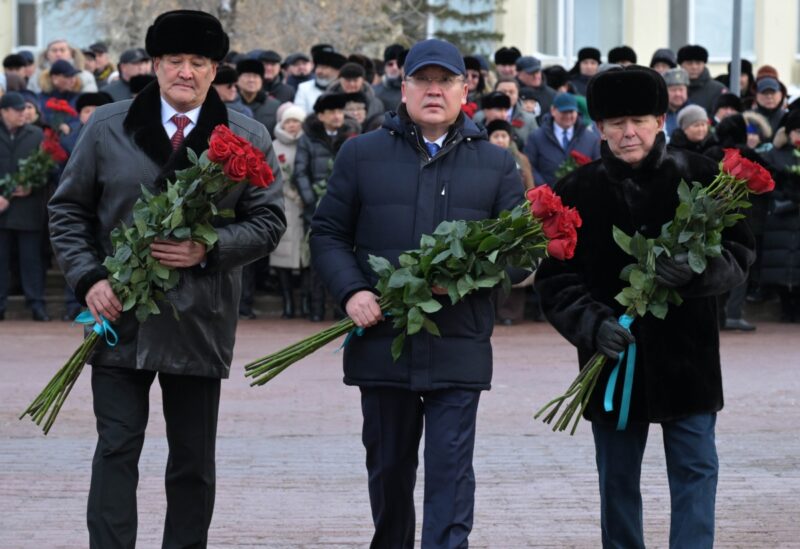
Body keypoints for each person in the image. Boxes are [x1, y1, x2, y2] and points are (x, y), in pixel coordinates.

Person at [47, 10, 285, 548]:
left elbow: (269, 221)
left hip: (198, 320)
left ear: (214, 70)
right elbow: (68, 212)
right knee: (115, 449)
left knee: (193, 462)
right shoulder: (108, 126)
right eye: (174, 60)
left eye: (198, 62)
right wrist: (88, 279)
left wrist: (210, 248)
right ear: (153, 65)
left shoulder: (244, 136)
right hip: (117, 315)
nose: (185, 71)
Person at [311, 38, 524, 548]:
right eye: (422, 81)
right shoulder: (361, 153)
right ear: (402, 88)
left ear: (465, 89)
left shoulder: (496, 165)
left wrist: (470, 276)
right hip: (382, 337)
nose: (434, 90)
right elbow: (328, 234)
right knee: (388, 467)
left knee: (450, 470)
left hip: (458, 339)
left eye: (445, 81)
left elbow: (521, 253)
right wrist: (352, 292)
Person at [534, 65, 755, 549]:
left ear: (661, 119)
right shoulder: (575, 192)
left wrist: (700, 270)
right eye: (615, 122)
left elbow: (739, 255)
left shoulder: (703, 180)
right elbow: (555, 280)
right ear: (599, 128)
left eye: (637, 119)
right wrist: (592, 325)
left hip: (687, 360)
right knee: (616, 480)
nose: (627, 132)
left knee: (696, 470)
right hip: (612, 361)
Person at [295, 91, 358, 321]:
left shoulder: (352, 135)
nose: (337, 116)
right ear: (320, 115)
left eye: (340, 111)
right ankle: (316, 308)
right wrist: (311, 198)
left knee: (346, 255)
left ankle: (341, 308)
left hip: (345, 206)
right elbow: (300, 171)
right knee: (316, 260)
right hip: (315, 207)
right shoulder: (308, 138)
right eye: (331, 111)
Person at [0, 92, 48, 322]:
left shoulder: (36, 134)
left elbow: (49, 170)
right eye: (18, 110)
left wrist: (32, 185)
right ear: (4, 112)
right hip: (1, 210)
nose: (23, 113)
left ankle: (36, 303)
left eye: (24, 110)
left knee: (31, 260)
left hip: (27, 208)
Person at [760, 109, 800, 322]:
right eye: (797, 131)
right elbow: (768, 183)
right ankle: (786, 305)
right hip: (782, 218)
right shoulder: (774, 154)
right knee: (781, 263)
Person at [270, 104, 308, 319]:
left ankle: (303, 301)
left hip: (304, 206)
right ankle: (287, 303)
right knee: (282, 254)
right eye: (288, 122)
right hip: (283, 204)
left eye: (296, 121)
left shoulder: (307, 144)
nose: (292, 126)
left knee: (305, 255)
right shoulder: (274, 146)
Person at [524, 92, 600, 187]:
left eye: (571, 112)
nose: (568, 116)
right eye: (564, 112)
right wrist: (545, 190)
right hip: (548, 197)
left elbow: (598, 167)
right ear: (553, 110)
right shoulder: (536, 137)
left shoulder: (591, 139)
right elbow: (530, 166)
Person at [294, 45, 347, 115]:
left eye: (324, 68)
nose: (319, 71)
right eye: (318, 67)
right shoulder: (304, 88)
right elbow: (299, 114)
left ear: (337, 72)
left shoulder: (345, 88)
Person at [235, 58, 281, 136]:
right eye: (247, 76)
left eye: (255, 76)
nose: (251, 80)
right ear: (237, 80)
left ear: (261, 80)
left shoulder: (274, 106)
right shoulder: (230, 105)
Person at [677, 44, 726, 114]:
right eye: (689, 63)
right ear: (681, 65)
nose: (694, 67)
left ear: (704, 64)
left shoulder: (718, 90)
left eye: (698, 63)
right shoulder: (671, 88)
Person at [373, 44, 404, 112]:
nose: (394, 68)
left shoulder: (412, 90)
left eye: (398, 63)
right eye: (390, 64)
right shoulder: (374, 91)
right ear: (385, 67)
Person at [663, 67, 690, 138]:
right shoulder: (658, 113)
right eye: (673, 90)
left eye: (681, 90)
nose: (678, 94)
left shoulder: (694, 112)